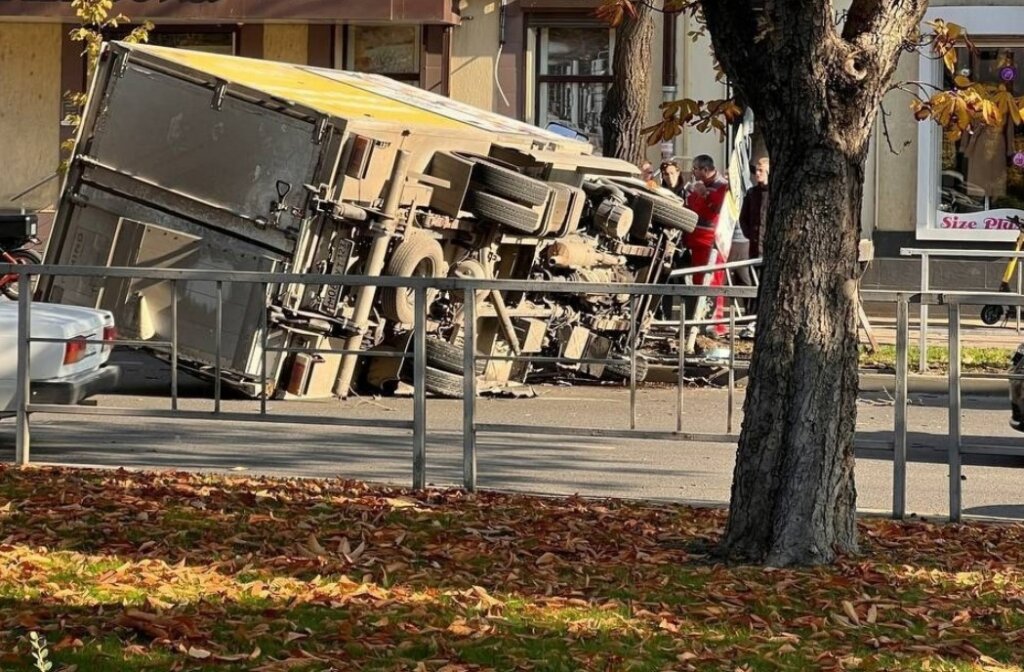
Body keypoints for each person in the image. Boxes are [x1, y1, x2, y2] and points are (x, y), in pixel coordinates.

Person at [683, 155, 730, 334]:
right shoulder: (697, 185)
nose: (693, 173)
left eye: (695, 169)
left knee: (712, 282)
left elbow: (719, 209)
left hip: (713, 240)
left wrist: (705, 194)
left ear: (704, 169)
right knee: (698, 281)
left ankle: (715, 324)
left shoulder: (721, 186)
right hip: (696, 239)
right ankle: (699, 321)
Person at [738, 157, 769, 321]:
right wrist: (750, 234)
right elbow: (743, 219)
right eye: (756, 170)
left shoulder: (775, 194)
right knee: (751, 285)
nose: (757, 174)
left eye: (761, 170)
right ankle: (750, 318)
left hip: (770, 251)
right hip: (754, 249)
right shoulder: (752, 194)